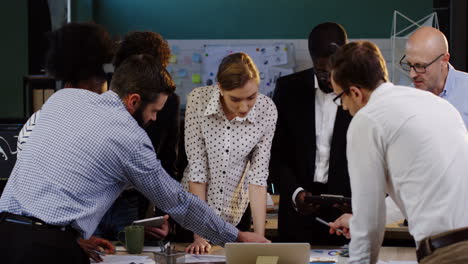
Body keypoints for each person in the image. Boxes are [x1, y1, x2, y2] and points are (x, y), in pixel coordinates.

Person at [0, 54, 269, 264]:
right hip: (45, 252)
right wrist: (237, 236)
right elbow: (178, 202)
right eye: (154, 110)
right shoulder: (129, 138)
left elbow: (46, 178)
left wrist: (71, 238)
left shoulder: (64, 98)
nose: (154, 119)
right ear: (134, 100)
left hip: (5, 232)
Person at [328, 40, 468, 264]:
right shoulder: (435, 103)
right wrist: (356, 220)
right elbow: (426, 192)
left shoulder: (367, 120)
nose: (343, 107)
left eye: (339, 98)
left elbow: (369, 223)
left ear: (355, 93)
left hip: (450, 253)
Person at [14, 22, 116, 262]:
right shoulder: (40, 127)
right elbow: (40, 202)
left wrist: (72, 239)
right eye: (97, 92)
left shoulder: (40, 122)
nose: (101, 100)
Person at [181, 52, 277, 254]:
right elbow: (197, 172)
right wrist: (200, 235)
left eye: (251, 97)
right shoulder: (198, 100)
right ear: (220, 88)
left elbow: (258, 178)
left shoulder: (267, 109)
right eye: (235, 99)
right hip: (194, 214)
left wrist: (261, 238)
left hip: (235, 215)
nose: (244, 107)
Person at [269, 22, 351, 245]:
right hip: (297, 212)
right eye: (321, 71)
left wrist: (358, 201)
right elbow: (275, 153)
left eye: (333, 71)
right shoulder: (289, 89)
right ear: (312, 59)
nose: (327, 78)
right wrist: (294, 192)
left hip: (346, 216)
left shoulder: (359, 92)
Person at [94, 31, 180, 241]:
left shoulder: (166, 100)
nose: (154, 117)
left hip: (133, 199)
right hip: (95, 197)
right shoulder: (98, 92)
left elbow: (167, 161)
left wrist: (163, 216)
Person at [402, 26, 468, 127]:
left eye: (420, 66)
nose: (412, 74)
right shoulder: (406, 98)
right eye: (409, 65)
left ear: (444, 60)